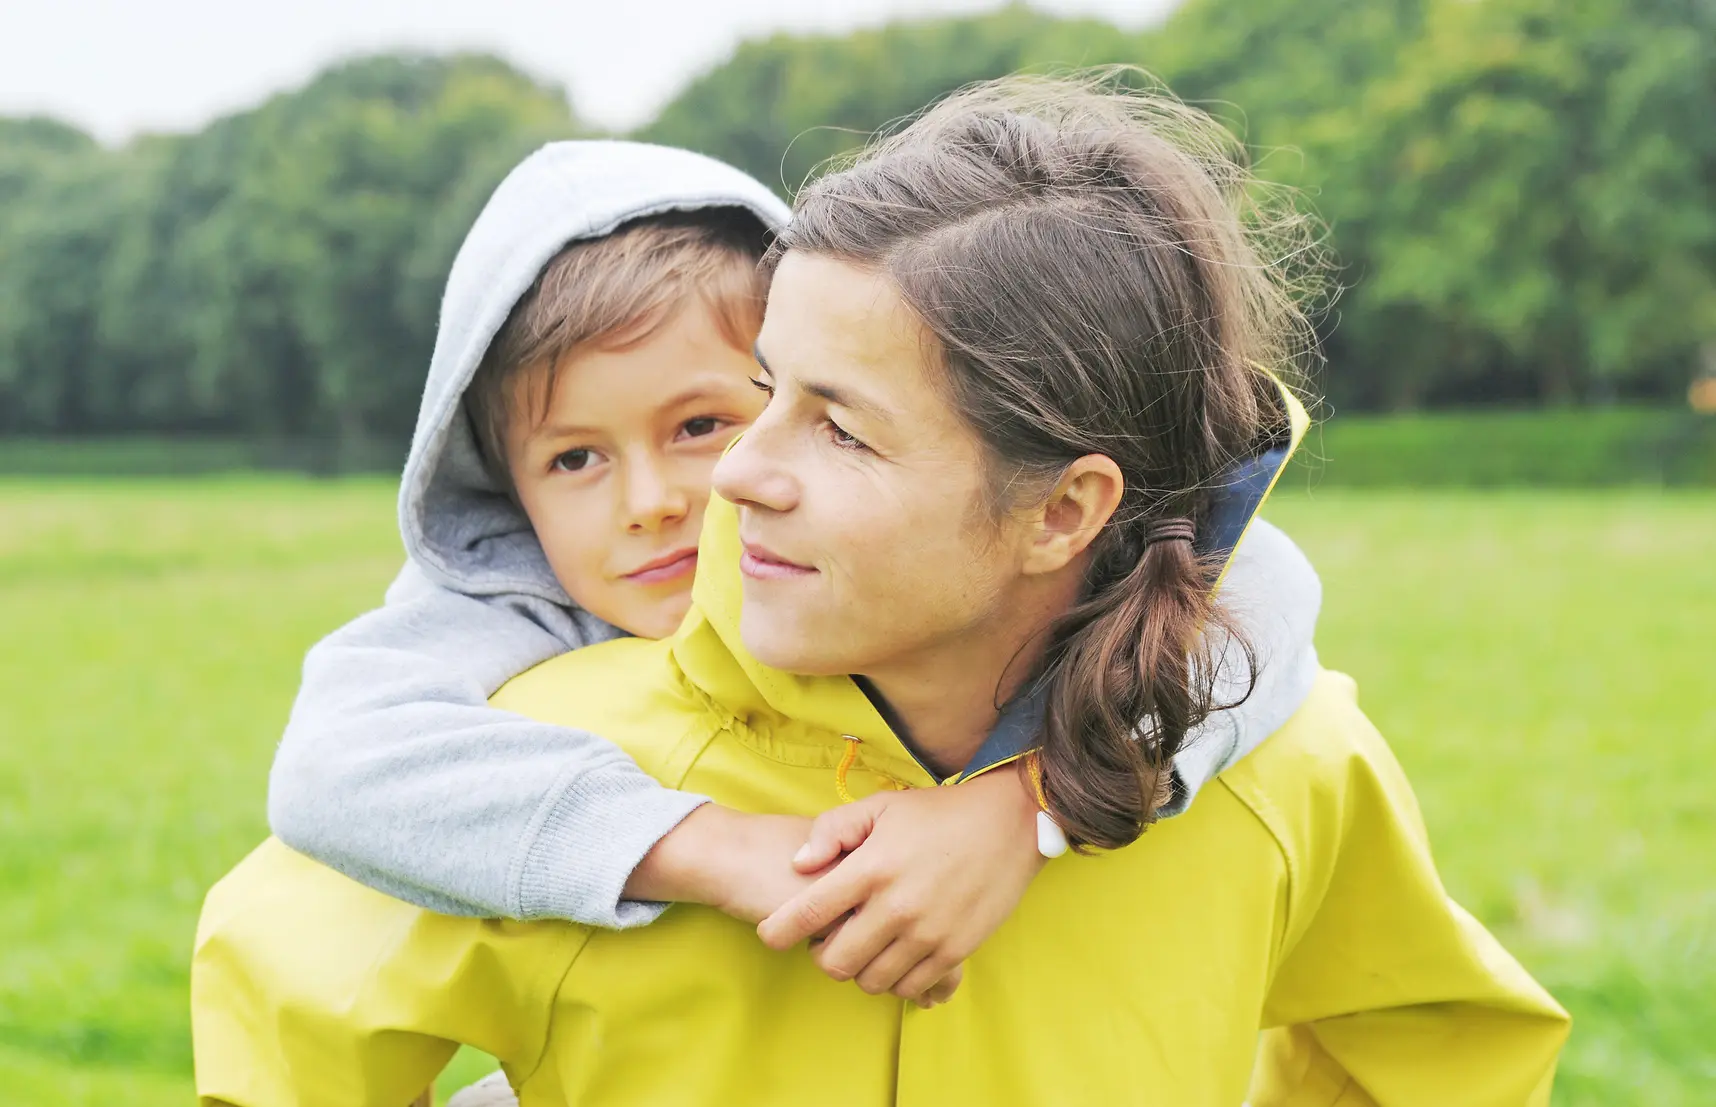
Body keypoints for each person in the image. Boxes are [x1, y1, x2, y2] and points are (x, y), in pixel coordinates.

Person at [193, 75, 1566, 1106]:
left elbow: (1431, 1047)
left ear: (1066, 507)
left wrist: (1031, 807)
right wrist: (695, 849)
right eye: (768, 391)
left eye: (831, 422)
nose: (722, 484)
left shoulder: (1281, 762)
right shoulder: (508, 757)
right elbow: (283, 1008)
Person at [260, 138, 1321, 990]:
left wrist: (1029, 808)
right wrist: (712, 849)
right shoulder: (508, 611)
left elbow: (1248, 583)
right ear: (503, 485)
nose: (657, 504)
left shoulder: (927, 576)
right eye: (574, 456)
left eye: (703, 422)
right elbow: (332, 767)